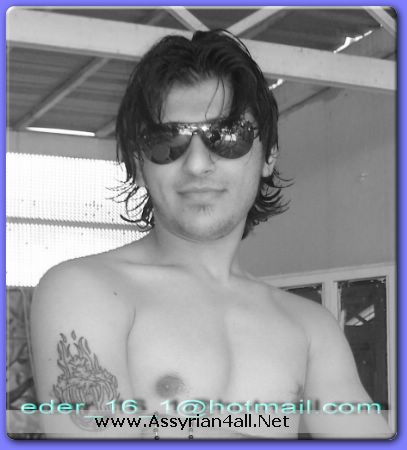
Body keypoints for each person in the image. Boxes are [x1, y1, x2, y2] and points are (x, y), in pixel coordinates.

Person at [30, 30, 392, 439]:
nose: (198, 164)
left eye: (229, 136)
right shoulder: (83, 291)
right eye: (167, 141)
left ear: (269, 155)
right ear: (138, 163)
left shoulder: (311, 328)